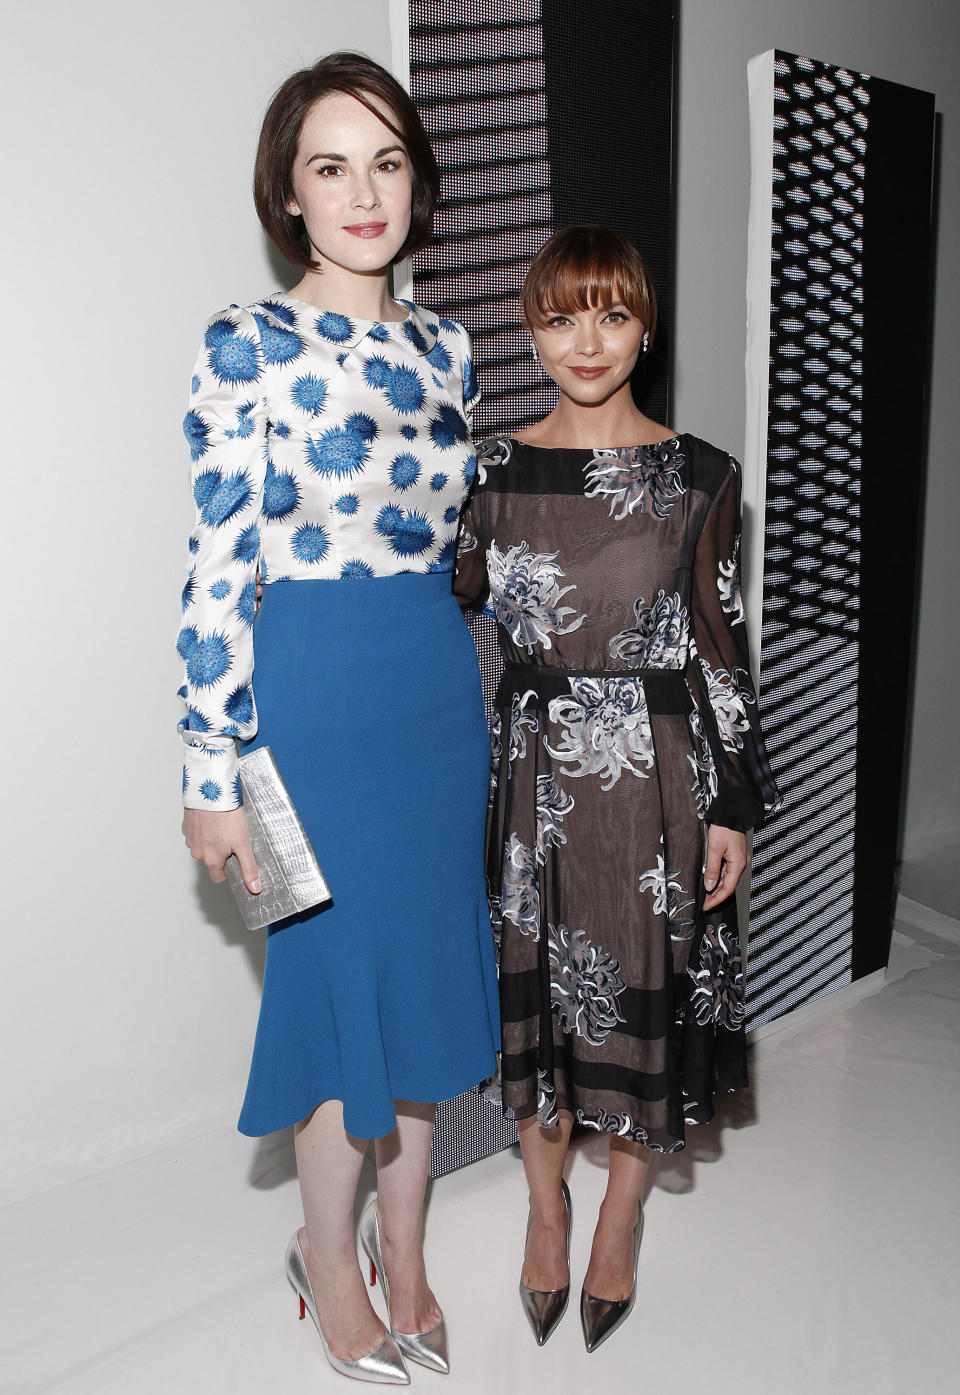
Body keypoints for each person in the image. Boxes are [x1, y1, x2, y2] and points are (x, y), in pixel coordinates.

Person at [178, 52, 499, 1384]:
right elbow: (213, 566)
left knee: (422, 992)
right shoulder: (243, 344)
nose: (364, 192)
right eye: (331, 165)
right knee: (326, 1001)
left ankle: (406, 1254)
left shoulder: (447, 345)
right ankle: (326, 1261)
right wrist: (210, 771)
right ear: (290, 195)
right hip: (301, 711)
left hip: (432, 688)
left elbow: (458, 534)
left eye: (386, 162)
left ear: (413, 184)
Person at [455, 225, 779, 1353]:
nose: (586, 340)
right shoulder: (487, 474)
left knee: (656, 1011)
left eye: (611, 313)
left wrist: (735, 800)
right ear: (531, 334)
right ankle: (546, 1209)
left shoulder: (701, 475)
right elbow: (433, 628)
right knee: (536, 1010)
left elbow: (716, 642)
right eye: (560, 316)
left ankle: (620, 1221)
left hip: (661, 787)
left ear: (646, 326)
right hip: (535, 781)